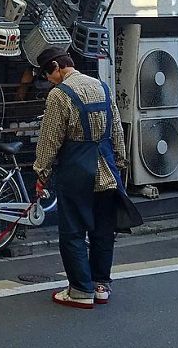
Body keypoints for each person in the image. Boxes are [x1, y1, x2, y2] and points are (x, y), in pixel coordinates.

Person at [32, 46, 127, 309]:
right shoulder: (102, 88)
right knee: (103, 231)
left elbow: (49, 140)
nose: (48, 79)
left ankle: (80, 290)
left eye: (46, 73)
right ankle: (100, 285)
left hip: (76, 170)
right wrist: (119, 162)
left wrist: (42, 173)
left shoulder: (59, 95)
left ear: (56, 66)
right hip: (107, 168)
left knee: (73, 231)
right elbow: (116, 130)